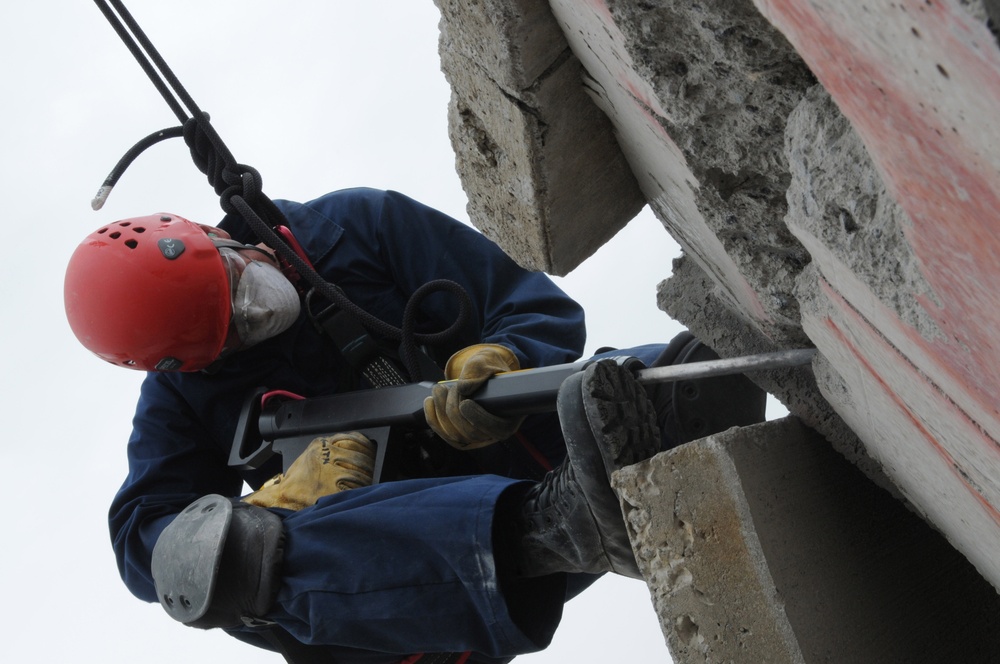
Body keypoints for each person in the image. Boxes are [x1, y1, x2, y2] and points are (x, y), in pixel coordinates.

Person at [64, 187, 763, 664]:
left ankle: (664, 452)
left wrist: (503, 357)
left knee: (639, 382)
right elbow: (143, 540)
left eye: (241, 291)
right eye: (233, 335)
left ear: (217, 235)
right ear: (185, 363)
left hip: (540, 458)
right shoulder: (180, 398)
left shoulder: (354, 230)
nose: (259, 316)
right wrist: (257, 511)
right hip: (416, 589)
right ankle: (546, 531)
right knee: (243, 564)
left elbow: (529, 305)